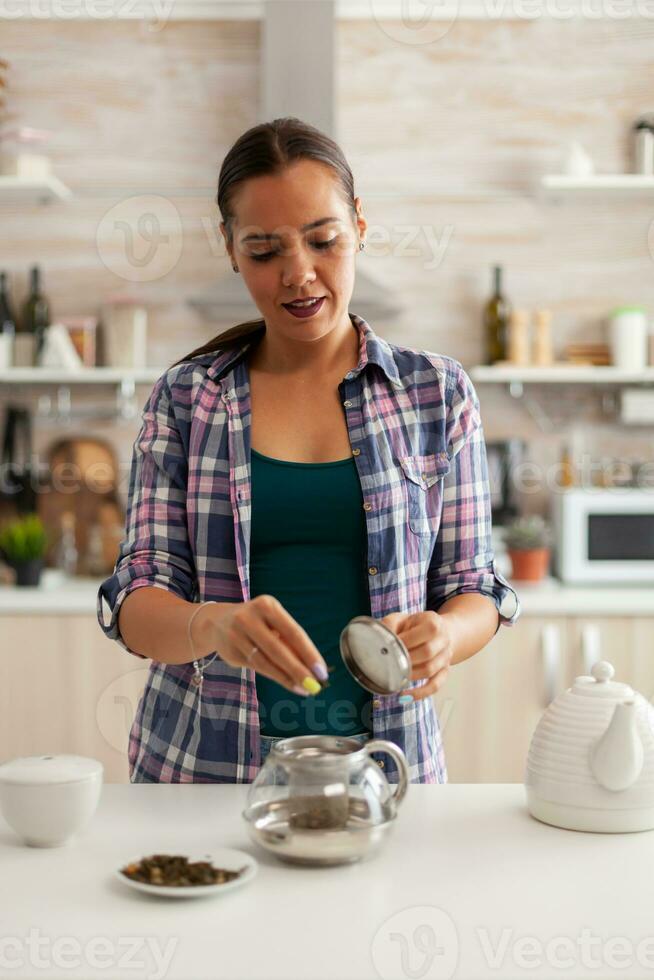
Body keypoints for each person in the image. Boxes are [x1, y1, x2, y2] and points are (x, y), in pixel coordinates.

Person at [97, 116, 520, 784]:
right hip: (202, 774)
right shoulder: (186, 399)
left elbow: (475, 587)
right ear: (230, 248)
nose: (299, 275)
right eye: (265, 251)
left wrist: (448, 637)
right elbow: (136, 598)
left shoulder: (436, 394)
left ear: (359, 225)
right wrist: (213, 625)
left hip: (385, 772)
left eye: (322, 240)